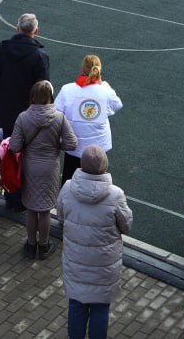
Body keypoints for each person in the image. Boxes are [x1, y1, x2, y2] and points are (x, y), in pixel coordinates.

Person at [57, 144, 132, 339]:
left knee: (76, 304)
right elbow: (126, 226)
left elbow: (61, 216)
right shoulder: (116, 195)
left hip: (76, 261)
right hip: (104, 265)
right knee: (100, 307)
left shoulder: (67, 188)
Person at [10, 80, 78, 259]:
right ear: (50, 96)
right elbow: (72, 143)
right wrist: (57, 145)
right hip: (50, 168)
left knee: (31, 209)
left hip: (30, 167)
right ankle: (44, 245)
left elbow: (14, 146)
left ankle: (31, 245)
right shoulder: (59, 117)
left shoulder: (23, 117)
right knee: (45, 210)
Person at [55, 55, 123, 184]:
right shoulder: (105, 91)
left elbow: (57, 112)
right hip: (99, 148)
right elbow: (117, 105)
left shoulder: (67, 89)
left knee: (69, 182)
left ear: (82, 68)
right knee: (98, 183)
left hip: (74, 147)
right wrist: (105, 86)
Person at [0, 13, 50, 140]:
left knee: (9, 145)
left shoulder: (1, 49)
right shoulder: (40, 56)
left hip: (6, 109)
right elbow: (43, 90)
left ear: (17, 27)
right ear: (36, 31)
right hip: (30, 114)